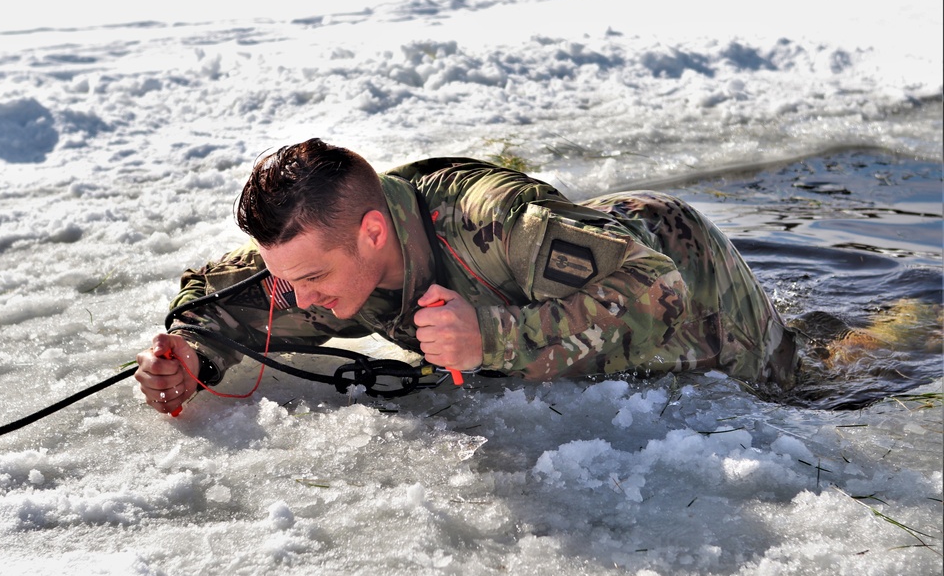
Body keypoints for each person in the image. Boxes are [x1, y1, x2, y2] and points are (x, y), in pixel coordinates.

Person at [135, 138, 798, 414]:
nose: (299, 298)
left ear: (372, 234)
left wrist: (492, 338)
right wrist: (188, 354)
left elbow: (660, 293)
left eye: (310, 278)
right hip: (597, 273)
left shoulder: (488, 220)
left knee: (810, 384)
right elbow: (213, 293)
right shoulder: (317, 260)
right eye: (290, 279)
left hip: (692, 274)